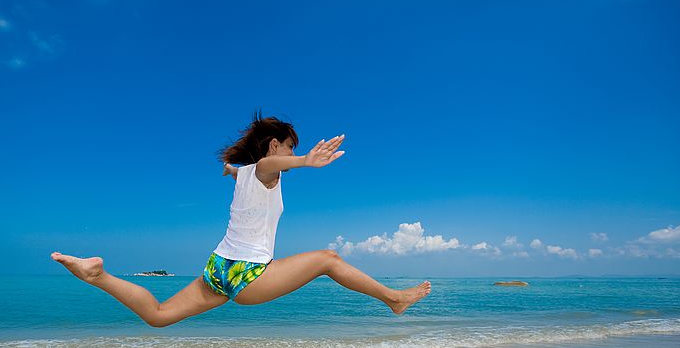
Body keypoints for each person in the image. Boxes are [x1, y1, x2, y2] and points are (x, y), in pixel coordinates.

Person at [51, 111, 431, 327]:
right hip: (248, 274)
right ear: (274, 146)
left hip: (218, 267)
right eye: (290, 147)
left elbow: (243, 170)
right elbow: (269, 164)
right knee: (328, 260)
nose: (291, 154)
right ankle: (394, 299)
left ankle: (98, 276)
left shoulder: (246, 174)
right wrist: (305, 161)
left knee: (159, 315)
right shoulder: (268, 168)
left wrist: (230, 170)